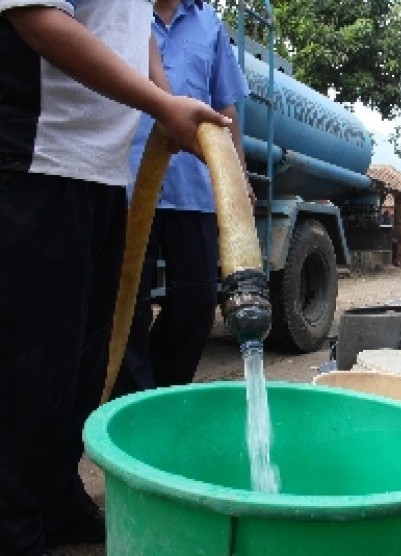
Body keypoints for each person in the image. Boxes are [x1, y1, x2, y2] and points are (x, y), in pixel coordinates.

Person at [0, 2, 230, 554]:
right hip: (40, 159)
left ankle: (52, 498)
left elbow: (131, 33)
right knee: (28, 364)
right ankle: (11, 522)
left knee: (83, 364)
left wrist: (165, 100)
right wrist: (158, 102)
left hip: (102, 173)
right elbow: (37, 18)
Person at [112, 0, 250, 397]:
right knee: (126, 304)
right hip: (128, 183)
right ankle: (133, 402)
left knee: (198, 300)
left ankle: (166, 394)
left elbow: (224, 108)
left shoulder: (209, 23)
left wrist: (238, 176)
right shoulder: (126, 12)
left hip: (195, 187)